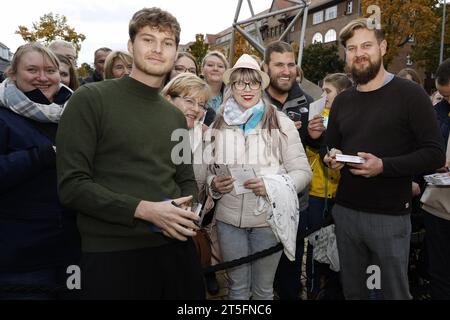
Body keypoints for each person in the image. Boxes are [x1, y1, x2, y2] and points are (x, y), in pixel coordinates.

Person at [56, 7, 204, 300]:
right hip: (112, 252)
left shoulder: (174, 117)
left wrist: (183, 213)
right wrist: (147, 210)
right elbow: (72, 186)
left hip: (174, 250)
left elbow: (186, 179)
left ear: (176, 52)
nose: (158, 49)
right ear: (130, 45)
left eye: (167, 43)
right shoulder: (91, 100)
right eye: (148, 40)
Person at [323, 18, 445, 300]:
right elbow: (331, 147)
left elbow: (435, 153)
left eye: (366, 45)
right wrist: (332, 158)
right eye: (352, 48)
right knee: (356, 292)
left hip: (389, 217)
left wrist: (384, 166)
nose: (359, 53)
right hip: (346, 213)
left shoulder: (410, 95)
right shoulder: (343, 101)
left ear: (383, 46)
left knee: (389, 293)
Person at [206, 54, 312, 300]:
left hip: (268, 220)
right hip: (229, 221)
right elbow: (208, 171)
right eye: (240, 83)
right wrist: (215, 185)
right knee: (237, 289)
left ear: (261, 86)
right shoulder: (218, 124)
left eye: (253, 82)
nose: (246, 89)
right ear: (231, 87)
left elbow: (303, 173)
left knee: (263, 290)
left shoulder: (280, 122)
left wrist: (272, 186)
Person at [0, 43, 80, 300]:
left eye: (50, 70)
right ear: (13, 74)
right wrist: (44, 155)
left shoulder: (76, 112)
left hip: (72, 248)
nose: (43, 77)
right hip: (22, 254)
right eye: (32, 69)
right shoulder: (3, 116)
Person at [262, 40, 326, 300]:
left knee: (290, 269)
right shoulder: (253, 98)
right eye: (279, 64)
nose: (286, 70)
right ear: (266, 67)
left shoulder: (307, 100)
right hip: (259, 202)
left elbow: (315, 144)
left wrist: (315, 136)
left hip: (295, 202)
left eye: (290, 64)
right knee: (260, 274)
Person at [161, 73, 222, 295]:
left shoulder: (204, 137)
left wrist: (212, 189)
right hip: (154, 231)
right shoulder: (152, 133)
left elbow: (205, 177)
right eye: (189, 101)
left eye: (201, 104)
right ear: (168, 98)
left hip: (190, 227)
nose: (196, 109)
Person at [305, 73, 352, 298]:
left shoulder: (351, 119)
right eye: (322, 90)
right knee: (316, 243)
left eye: (328, 91)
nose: (323, 95)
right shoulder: (318, 118)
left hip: (342, 195)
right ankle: (313, 288)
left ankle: (333, 287)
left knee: (338, 244)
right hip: (316, 192)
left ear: (342, 94)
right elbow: (315, 146)